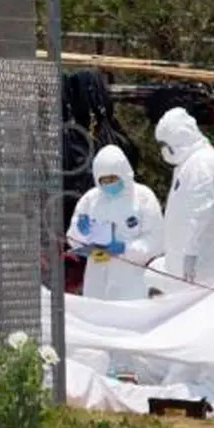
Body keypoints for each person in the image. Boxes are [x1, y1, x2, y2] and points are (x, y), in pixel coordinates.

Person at [66, 145, 164, 378]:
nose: (109, 184)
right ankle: (99, 371)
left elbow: (156, 240)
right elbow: (73, 237)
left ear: (125, 173)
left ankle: (131, 371)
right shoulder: (90, 200)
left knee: (128, 322)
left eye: (113, 178)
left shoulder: (142, 197)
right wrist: (81, 234)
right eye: (104, 179)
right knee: (97, 322)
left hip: (130, 275)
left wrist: (125, 249)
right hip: (97, 272)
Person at [153, 107, 214, 289]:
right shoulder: (191, 162)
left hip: (201, 262)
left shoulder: (201, 163)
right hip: (188, 262)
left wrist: (190, 251)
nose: (165, 150)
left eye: (166, 144)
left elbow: (200, 210)